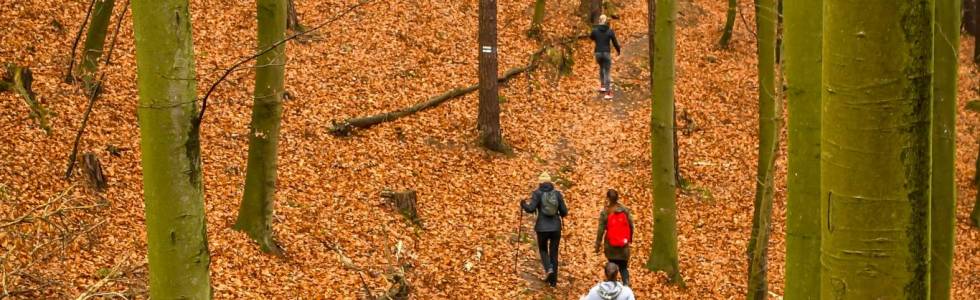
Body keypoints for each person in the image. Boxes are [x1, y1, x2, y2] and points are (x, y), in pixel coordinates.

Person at [521, 172, 569, 287]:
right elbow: (564, 212)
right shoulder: (557, 194)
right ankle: (553, 282)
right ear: (550, 182)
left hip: (542, 228)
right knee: (554, 253)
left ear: (540, 182)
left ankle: (548, 268)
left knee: (543, 250)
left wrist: (523, 204)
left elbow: (531, 209)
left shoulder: (537, 193)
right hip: (556, 228)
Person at [594, 189, 634, 286]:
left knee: (612, 266)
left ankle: (612, 288)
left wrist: (597, 245)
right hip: (624, 246)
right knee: (623, 268)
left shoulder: (605, 212)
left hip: (610, 246)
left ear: (607, 198)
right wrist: (629, 239)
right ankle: (626, 285)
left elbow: (600, 230)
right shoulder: (625, 211)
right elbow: (631, 225)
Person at [589, 14, 622, 100]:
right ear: (606, 21)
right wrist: (618, 50)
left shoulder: (595, 30)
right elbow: (615, 42)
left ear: (599, 21)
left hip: (598, 53)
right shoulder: (610, 31)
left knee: (601, 67)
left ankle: (602, 86)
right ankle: (608, 93)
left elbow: (591, 37)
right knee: (607, 71)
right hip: (606, 53)